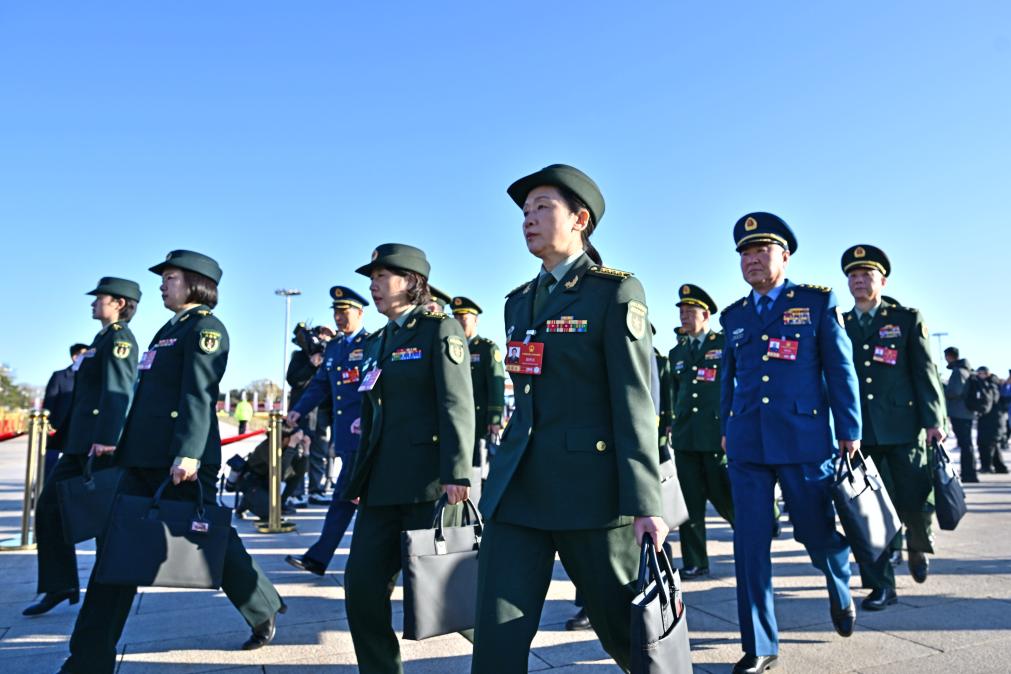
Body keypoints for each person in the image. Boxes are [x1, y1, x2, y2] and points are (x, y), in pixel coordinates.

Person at [472, 164, 666, 673]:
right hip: (518, 490)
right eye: (525, 211)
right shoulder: (518, 302)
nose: (528, 219)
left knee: (628, 635)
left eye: (543, 207)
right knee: (495, 639)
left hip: (591, 494)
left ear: (580, 219)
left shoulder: (614, 292)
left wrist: (646, 503)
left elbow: (634, 399)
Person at [62, 250, 285, 674]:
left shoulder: (205, 329)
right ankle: (88, 660)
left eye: (171, 277)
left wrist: (188, 453)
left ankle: (261, 606)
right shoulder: (169, 329)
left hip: (181, 460)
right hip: (142, 458)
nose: (162, 285)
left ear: (196, 283)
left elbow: (198, 394)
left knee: (209, 537)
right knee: (117, 554)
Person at [720, 212, 860, 674]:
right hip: (747, 443)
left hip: (804, 439)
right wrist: (725, 426)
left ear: (785, 256)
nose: (752, 259)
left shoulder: (816, 302)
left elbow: (840, 369)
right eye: (745, 253)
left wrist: (850, 430)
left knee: (814, 531)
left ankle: (838, 577)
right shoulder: (734, 316)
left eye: (761, 250)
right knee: (750, 544)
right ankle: (760, 644)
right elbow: (728, 379)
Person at [341, 244, 474, 674]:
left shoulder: (439, 329)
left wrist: (457, 472)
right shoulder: (378, 341)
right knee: (361, 588)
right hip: (380, 488)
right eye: (372, 279)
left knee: (449, 596)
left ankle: (500, 653)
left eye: (383, 277)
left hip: (427, 485)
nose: (374, 286)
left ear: (412, 282)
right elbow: (371, 419)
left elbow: (456, 403)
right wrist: (359, 482)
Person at [24, 279, 140, 618]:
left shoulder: (119, 339)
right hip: (80, 445)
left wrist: (108, 438)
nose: (93, 303)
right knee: (49, 508)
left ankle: (109, 593)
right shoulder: (102, 339)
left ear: (119, 303)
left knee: (105, 522)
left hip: (100, 447)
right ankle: (60, 585)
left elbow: (119, 390)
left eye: (99, 298)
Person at [839, 244, 946, 609]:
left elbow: (924, 372)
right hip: (860, 434)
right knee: (868, 511)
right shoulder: (840, 324)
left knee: (915, 499)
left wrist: (934, 421)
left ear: (882, 281)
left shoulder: (905, 319)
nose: (858, 281)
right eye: (853, 275)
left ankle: (917, 543)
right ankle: (881, 585)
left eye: (866, 274)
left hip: (904, 428)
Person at [285, 285, 371, 576]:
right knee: (349, 498)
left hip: (365, 433)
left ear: (359, 313)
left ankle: (320, 557)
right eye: (336, 312)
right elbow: (320, 384)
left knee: (345, 498)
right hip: (345, 434)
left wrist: (367, 418)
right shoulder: (334, 348)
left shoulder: (372, 344)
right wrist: (299, 409)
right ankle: (325, 558)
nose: (338, 317)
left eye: (344, 312)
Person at [667, 283, 735, 580]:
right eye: (681, 311)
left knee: (726, 497)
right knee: (689, 504)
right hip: (686, 437)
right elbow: (674, 391)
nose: (684, 316)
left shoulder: (724, 344)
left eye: (690, 311)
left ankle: (752, 542)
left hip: (716, 434)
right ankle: (695, 561)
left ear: (705, 314)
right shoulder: (677, 351)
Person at [450, 295, 506, 495]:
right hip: (455, 420)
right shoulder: (450, 348)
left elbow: (496, 384)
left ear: (475, 320)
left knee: (477, 467)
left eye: (463, 317)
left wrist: (494, 418)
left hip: (479, 421)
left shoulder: (487, 348)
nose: (459, 321)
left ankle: (477, 505)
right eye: (456, 317)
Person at [285, 322, 334, 505]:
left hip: (322, 411)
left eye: (327, 336)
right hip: (302, 412)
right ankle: (295, 491)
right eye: (321, 334)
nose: (323, 338)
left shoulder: (331, 354)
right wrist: (311, 365)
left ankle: (316, 489)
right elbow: (293, 380)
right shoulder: (299, 356)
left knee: (319, 451)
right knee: (298, 450)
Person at [40, 343, 89, 477]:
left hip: (81, 428)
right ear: (75, 357)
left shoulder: (91, 377)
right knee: (50, 464)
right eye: (85, 354)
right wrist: (49, 425)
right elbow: (49, 402)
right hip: (57, 428)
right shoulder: (60, 376)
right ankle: (45, 485)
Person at [943, 346, 977, 482]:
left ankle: (969, 474)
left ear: (949, 356)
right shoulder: (966, 370)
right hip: (965, 413)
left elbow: (955, 391)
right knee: (966, 444)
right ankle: (969, 473)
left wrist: (944, 391)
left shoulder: (958, 371)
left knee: (965, 444)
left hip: (960, 413)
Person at [975, 366, 1008, 473]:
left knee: (987, 444)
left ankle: (987, 466)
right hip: (994, 418)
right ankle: (1000, 467)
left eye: (981, 373)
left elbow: (990, 401)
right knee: (993, 444)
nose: (979, 375)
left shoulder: (991, 385)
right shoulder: (993, 383)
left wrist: (981, 409)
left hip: (993, 419)